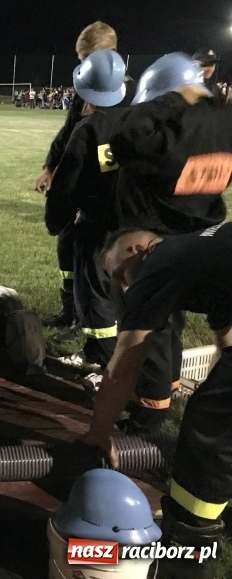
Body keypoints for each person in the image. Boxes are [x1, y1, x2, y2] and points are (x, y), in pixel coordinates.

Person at [82, 223, 232, 579]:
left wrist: (99, 434)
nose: (123, 287)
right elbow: (229, 340)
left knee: (208, 433)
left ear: (135, 250)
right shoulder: (202, 253)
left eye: (118, 273)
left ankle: (187, 548)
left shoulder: (160, 261)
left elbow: (124, 366)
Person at [107, 52, 230, 432]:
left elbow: (125, 138)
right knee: (201, 327)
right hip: (204, 240)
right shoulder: (224, 124)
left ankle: (149, 414)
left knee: (151, 332)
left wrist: (171, 98)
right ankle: (200, 395)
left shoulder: (165, 130)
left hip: (158, 243)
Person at [33, 22, 124, 340]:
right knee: (68, 253)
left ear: (110, 54)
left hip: (104, 196)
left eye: (88, 57)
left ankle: (95, 328)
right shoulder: (86, 89)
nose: (83, 65)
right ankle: (71, 312)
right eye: (81, 58)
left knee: (98, 265)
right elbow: (67, 133)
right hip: (75, 188)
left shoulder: (130, 95)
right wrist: (49, 167)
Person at [44, 49, 128, 383]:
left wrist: (57, 220)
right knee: (120, 290)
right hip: (130, 224)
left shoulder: (87, 129)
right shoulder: (136, 121)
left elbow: (66, 185)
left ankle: (99, 357)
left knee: (95, 292)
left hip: (94, 226)